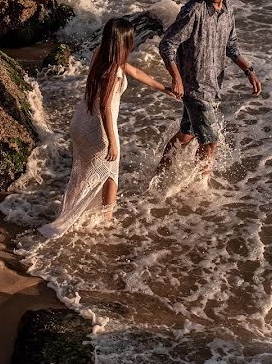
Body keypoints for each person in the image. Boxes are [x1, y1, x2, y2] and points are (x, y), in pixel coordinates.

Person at [39, 18, 178, 237]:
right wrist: (112, 142)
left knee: (81, 174)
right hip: (97, 128)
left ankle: (68, 212)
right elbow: (105, 108)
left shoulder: (101, 54)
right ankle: (107, 220)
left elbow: (138, 73)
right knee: (111, 173)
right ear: (123, 43)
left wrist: (164, 88)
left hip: (80, 123)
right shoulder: (113, 70)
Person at [157, 0, 262, 177]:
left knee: (187, 135)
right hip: (195, 88)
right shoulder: (194, 11)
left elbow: (231, 47)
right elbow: (167, 44)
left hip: (213, 86)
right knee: (211, 141)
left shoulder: (228, 9)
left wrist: (249, 71)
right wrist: (176, 78)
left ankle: (158, 173)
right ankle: (200, 185)